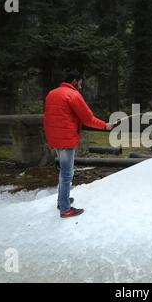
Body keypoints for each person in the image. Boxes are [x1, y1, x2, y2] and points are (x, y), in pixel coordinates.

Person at [43, 71, 114, 218]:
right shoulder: (73, 95)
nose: (81, 86)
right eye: (81, 82)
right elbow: (88, 119)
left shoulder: (52, 93)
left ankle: (61, 200)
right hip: (66, 139)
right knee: (67, 174)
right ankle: (65, 209)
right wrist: (105, 126)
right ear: (75, 81)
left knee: (63, 171)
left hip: (55, 139)